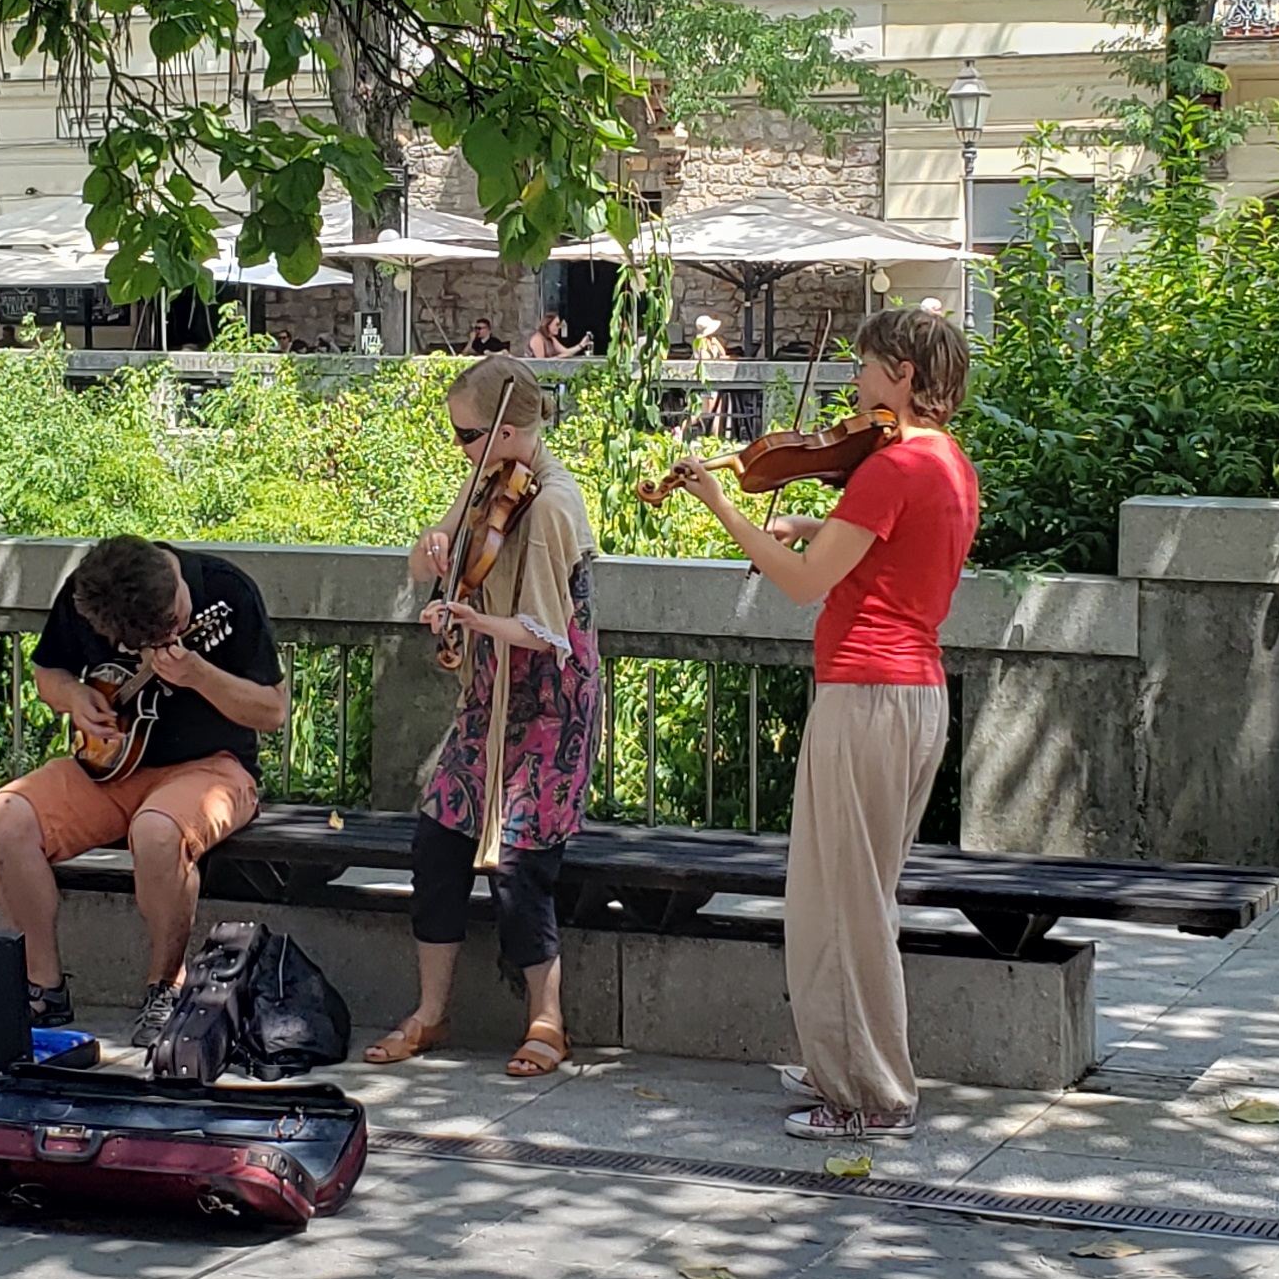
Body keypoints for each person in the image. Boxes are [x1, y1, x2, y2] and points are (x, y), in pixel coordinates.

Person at [666, 306, 979, 1141]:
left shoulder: (889, 469)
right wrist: (816, 524)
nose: (856, 382)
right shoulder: (949, 463)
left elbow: (803, 585)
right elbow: (893, 560)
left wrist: (721, 508)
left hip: (867, 695)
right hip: (915, 693)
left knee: (838, 902)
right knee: (860, 893)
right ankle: (848, 1061)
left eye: (869, 365)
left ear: (904, 375)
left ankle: (871, 1095)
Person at [371, 356, 603, 1078]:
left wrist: (470, 615)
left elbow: (547, 632)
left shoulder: (553, 508)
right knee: (437, 843)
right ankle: (431, 1012)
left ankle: (546, 1020)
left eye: (466, 437)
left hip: (550, 705)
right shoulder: (487, 483)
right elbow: (422, 564)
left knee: (520, 862)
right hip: (490, 696)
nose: (460, 450)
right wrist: (435, 547)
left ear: (506, 431)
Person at [0, 535, 290, 1037]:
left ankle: (165, 985)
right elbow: (47, 673)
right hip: (110, 767)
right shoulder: (87, 593)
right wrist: (76, 697)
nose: (175, 631)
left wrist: (200, 676)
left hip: (213, 766)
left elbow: (273, 712)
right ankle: (43, 986)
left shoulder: (228, 591)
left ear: (174, 580)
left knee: (157, 832)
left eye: (175, 620)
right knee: (8, 817)